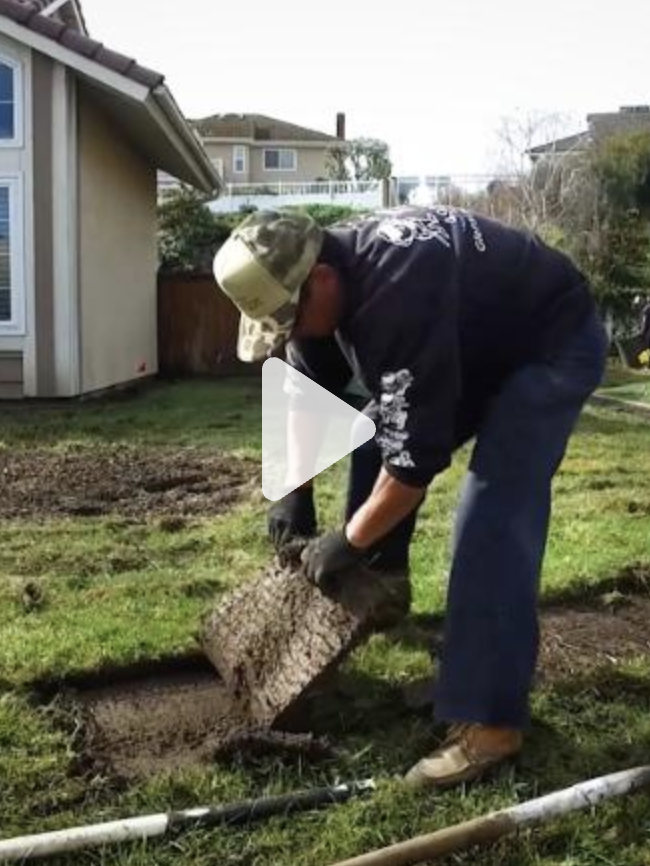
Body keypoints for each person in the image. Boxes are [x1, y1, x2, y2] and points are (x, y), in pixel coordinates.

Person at [212, 206, 607, 788]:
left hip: (548, 344)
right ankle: (383, 586)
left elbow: (413, 467)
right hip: (476, 340)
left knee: (493, 512)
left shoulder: (395, 291)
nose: (291, 333)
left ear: (322, 278)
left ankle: (490, 725)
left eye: (290, 320)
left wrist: (348, 539)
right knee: (375, 435)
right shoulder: (320, 284)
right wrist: (290, 498)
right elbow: (303, 395)